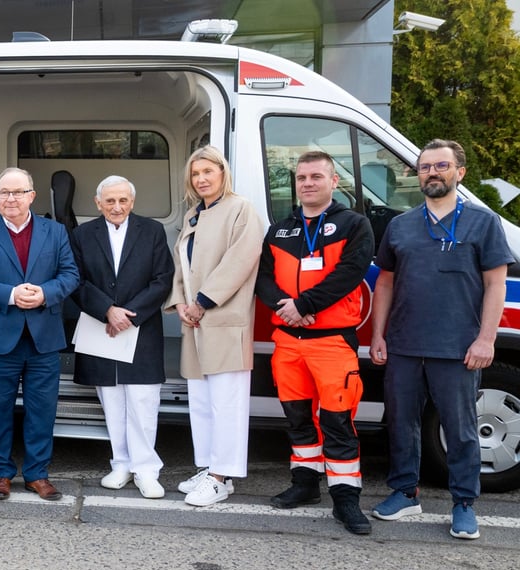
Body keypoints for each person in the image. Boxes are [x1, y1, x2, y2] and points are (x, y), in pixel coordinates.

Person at [369, 139, 512, 540]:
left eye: (441, 166)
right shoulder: (401, 225)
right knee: (402, 423)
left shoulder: (483, 223)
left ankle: (464, 503)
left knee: (461, 428)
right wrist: (379, 335)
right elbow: (385, 284)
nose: (432, 172)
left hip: (458, 347)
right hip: (404, 344)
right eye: (425, 167)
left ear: (459, 173)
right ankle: (404, 492)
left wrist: (486, 340)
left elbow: (495, 284)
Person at [254, 151, 374, 535]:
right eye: (302, 177)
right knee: (298, 419)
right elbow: (263, 279)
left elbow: (350, 274)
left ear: (333, 181)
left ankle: (346, 500)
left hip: (332, 342)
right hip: (288, 342)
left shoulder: (354, 225)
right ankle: (305, 485)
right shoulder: (280, 230)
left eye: (316, 176)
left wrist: (303, 305)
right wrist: (285, 309)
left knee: (337, 422)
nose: (307, 182)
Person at [0, 167, 79, 502]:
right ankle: (0, 473)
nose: (10, 198)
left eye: (18, 192)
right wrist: (11, 295)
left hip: (43, 336)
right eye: (4, 192)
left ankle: (37, 474)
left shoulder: (55, 232)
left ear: (32, 195)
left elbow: (70, 275)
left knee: (42, 410)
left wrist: (45, 293)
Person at [164, 146, 263, 507]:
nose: (201, 179)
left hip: (222, 319)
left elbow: (241, 260)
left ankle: (222, 476)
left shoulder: (240, 209)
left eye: (208, 171)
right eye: (195, 173)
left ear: (223, 173)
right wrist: (179, 303)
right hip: (196, 322)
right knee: (202, 403)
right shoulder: (194, 214)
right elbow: (182, 266)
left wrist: (202, 302)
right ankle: (208, 468)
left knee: (227, 403)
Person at [70, 176, 173, 499]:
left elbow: (162, 279)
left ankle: (146, 469)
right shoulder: (83, 234)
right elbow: (76, 279)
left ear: (133, 202)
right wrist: (107, 310)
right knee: (111, 401)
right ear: (98, 203)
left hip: (139, 328)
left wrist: (128, 313)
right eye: (110, 201)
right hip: (102, 327)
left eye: (123, 201)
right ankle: (121, 464)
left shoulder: (152, 231)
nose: (117, 207)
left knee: (143, 402)